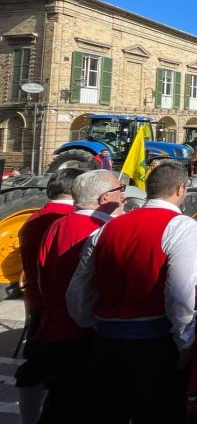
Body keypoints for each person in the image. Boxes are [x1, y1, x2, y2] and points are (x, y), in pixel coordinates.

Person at [67, 160, 197, 423]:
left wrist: (92, 322)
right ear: (181, 188)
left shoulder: (107, 227)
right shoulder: (181, 225)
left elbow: (79, 288)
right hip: (153, 344)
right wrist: (185, 341)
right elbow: (180, 293)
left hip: (106, 340)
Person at [30, 170, 111, 423]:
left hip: (56, 327)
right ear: (104, 198)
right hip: (85, 332)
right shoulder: (100, 228)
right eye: (120, 191)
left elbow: (43, 273)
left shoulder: (57, 225)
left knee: (59, 402)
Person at [16, 169, 84, 423]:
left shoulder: (33, 218)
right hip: (65, 309)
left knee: (35, 366)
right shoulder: (70, 219)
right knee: (63, 376)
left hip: (37, 301)